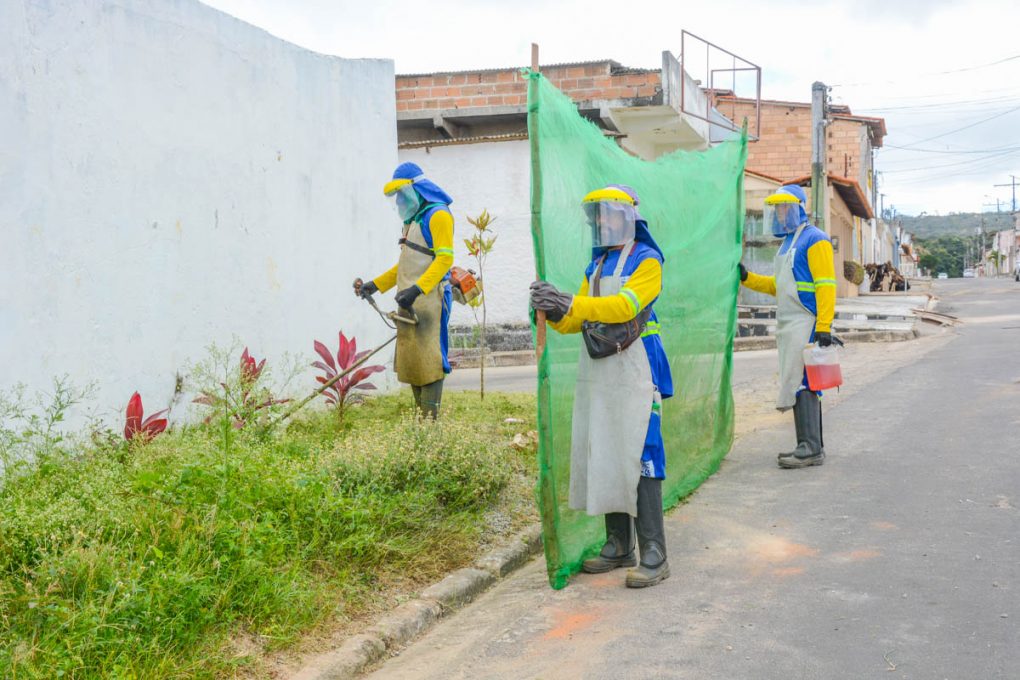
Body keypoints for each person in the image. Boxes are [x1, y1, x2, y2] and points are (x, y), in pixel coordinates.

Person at [530, 185, 673, 588]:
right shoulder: (596, 266)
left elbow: (625, 307)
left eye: (608, 214)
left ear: (628, 218)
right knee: (608, 446)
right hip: (602, 369)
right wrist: (552, 310)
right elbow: (577, 320)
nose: (601, 222)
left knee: (642, 451)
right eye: (597, 215)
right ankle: (619, 544)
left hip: (638, 367)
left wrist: (569, 302)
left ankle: (654, 552)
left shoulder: (648, 261)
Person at [739, 184, 836, 468]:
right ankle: (809, 445)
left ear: (798, 209)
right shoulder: (787, 243)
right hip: (790, 322)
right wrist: (747, 278)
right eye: (777, 208)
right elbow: (777, 286)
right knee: (797, 381)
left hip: (806, 320)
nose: (780, 213)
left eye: (785, 207)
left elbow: (826, 285)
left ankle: (810, 447)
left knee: (804, 381)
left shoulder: (815, 239)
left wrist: (824, 326)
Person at [354, 162, 455, 418]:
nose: (399, 201)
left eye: (401, 194)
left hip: (432, 298)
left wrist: (417, 289)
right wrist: (376, 285)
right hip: (410, 299)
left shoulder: (438, 215)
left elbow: (445, 259)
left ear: (416, 189)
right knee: (413, 359)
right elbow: (407, 263)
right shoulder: (413, 221)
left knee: (431, 358)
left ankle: (430, 422)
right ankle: (422, 420)